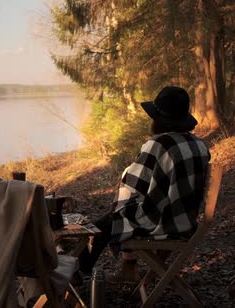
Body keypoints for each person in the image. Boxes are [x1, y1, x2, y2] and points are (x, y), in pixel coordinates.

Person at [78, 86, 211, 282]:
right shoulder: (200, 144)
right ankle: (128, 269)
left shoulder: (158, 145)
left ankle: (82, 272)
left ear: (158, 120)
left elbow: (131, 184)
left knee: (101, 225)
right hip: (186, 221)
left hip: (164, 224)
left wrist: (123, 186)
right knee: (123, 212)